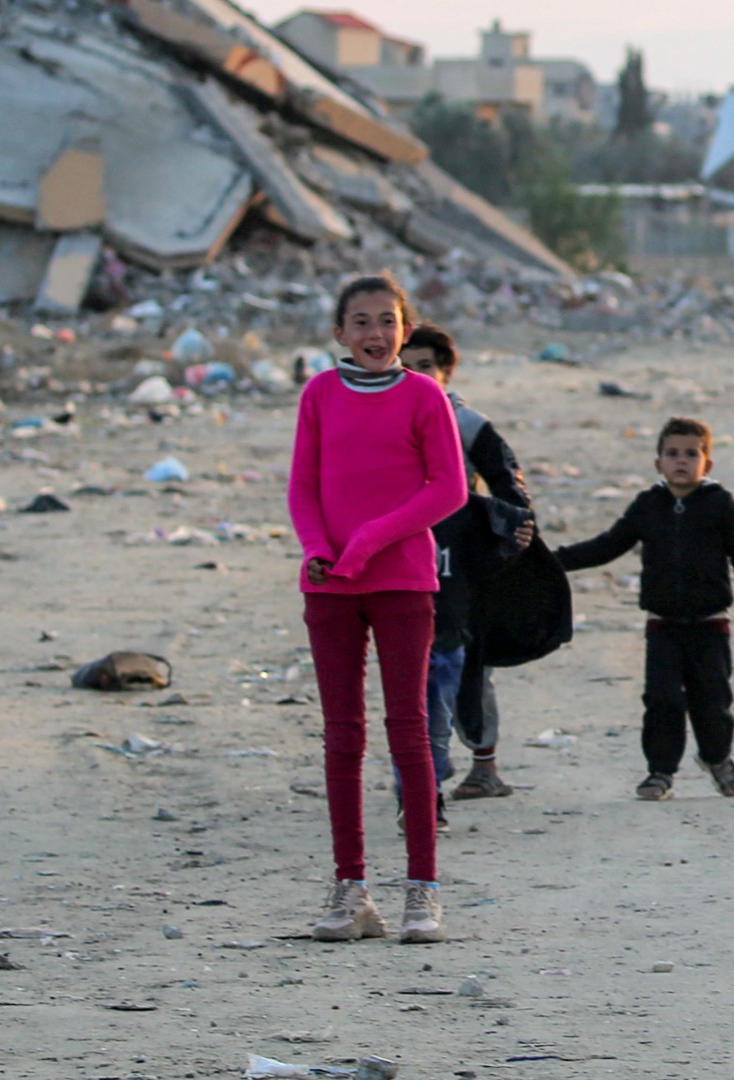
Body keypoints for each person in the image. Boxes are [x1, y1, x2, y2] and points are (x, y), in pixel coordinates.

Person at [289, 274, 466, 945]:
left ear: (405, 329)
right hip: (329, 583)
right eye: (359, 321)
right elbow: (303, 485)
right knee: (342, 735)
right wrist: (319, 548)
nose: (373, 334)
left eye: (386, 321)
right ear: (339, 333)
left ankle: (423, 891)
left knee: (408, 732)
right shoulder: (319, 394)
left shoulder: (424, 396)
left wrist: (368, 540)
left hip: (402, 580)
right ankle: (351, 888)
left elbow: (446, 489)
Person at [555, 418, 734, 801]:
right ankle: (660, 773)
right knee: (661, 701)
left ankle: (717, 757)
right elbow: (608, 544)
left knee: (712, 703)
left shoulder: (720, 504)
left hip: (710, 626)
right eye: (672, 453)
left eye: (691, 454)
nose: (681, 461)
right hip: (662, 627)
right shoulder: (648, 505)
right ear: (657, 462)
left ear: (706, 464)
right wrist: (552, 561)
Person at [392, 324, 538, 831]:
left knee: (470, 663)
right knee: (413, 670)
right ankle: (421, 780)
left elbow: (508, 481)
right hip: (401, 555)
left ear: (446, 370)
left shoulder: (465, 423)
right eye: (404, 364)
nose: (415, 375)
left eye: (425, 366)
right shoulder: (380, 416)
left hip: (460, 559)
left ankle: (481, 762)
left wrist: (511, 530)